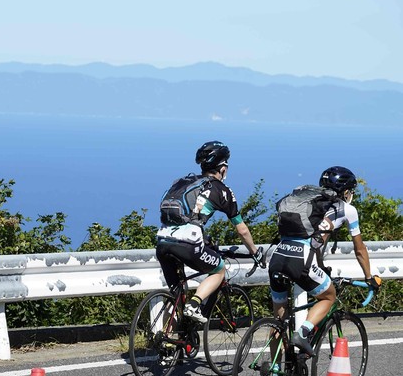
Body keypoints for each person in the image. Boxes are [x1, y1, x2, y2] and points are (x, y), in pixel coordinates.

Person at [268, 166, 381, 357]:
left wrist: (320, 268)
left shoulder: (311, 202)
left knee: (280, 320)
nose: (351, 195)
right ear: (346, 191)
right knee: (329, 296)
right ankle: (302, 334)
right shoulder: (347, 209)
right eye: (351, 191)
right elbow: (360, 249)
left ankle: (276, 372)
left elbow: (316, 243)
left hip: (278, 257)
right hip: (301, 260)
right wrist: (369, 277)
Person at [155, 140, 264, 323]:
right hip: (187, 243)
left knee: (176, 296)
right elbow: (242, 230)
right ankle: (195, 304)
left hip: (163, 240)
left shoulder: (183, 181)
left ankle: (168, 341)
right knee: (219, 270)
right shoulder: (221, 190)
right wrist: (255, 252)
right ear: (222, 168)